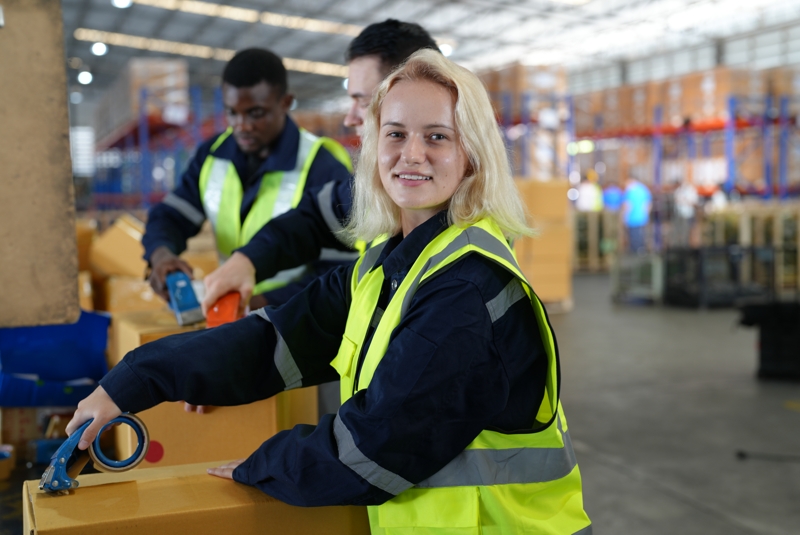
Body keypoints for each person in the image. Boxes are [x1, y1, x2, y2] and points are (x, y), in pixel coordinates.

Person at [67, 50, 592, 534]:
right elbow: (272, 342)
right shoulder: (385, 265)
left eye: (437, 137)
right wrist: (135, 380)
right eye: (395, 134)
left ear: (473, 155)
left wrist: (261, 465)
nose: (412, 154)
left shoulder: (466, 292)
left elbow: (372, 448)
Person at [201, 20, 438, 317]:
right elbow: (314, 217)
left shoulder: (457, 274)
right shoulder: (384, 191)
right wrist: (247, 261)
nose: (351, 119)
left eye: (362, 102)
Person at [143, 48, 353, 309]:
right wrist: (162, 255)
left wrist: (260, 304)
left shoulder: (321, 166)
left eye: (255, 113)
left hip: (296, 318)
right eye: (232, 112)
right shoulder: (212, 155)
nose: (242, 125)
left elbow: (341, 271)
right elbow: (171, 215)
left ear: (285, 103)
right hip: (232, 308)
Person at [622, 176, 652, 253]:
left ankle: (635, 251)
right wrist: (646, 215)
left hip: (632, 217)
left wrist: (624, 217)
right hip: (642, 217)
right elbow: (648, 205)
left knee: (633, 235)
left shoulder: (630, 191)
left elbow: (627, 205)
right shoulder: (644, 189)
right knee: (641, 234)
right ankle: (641, 249)